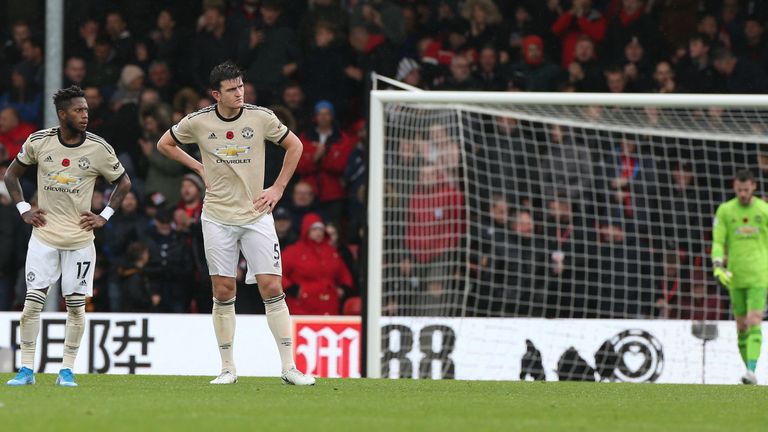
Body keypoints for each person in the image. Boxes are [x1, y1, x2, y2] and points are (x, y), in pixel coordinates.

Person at [156, 61, 313, 385]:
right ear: (216, 94)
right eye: (231, 89)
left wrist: (278, 188)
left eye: (241, 86)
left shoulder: (261, 117)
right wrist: (198, 166)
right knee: (224, 290)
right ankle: (228, 368)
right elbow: (164, 144)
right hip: (217, 217)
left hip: (256, 214)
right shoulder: (198, 122)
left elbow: (295, 145)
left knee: (272, 286)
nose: (239, 93)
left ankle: (289, 368)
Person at [4, 86, 132, 386]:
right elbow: (11, 175)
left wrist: (105, 216)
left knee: (75, 307)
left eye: (86, 109)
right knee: (32, 304)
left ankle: (67, 369)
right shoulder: (39, 141)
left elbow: (124, 182)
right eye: (78, 110)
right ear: (63, 114)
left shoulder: (98, 148)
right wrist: (24, 209)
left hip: (79, 241)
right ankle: (26, 369)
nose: (85, 115)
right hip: (44, 236)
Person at [711, 169, 768, 385]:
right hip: (735, 276)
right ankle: (749, 372)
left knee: (754, 321)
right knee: (741, 326)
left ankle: (751, 370)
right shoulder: (725, 211)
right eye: (739, 190)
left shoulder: (764, 210)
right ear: (734, 187)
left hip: (759, 275)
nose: (743, 194)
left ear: (753, 186)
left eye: (746, 189)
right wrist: (717, 265)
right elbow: (718, 241)